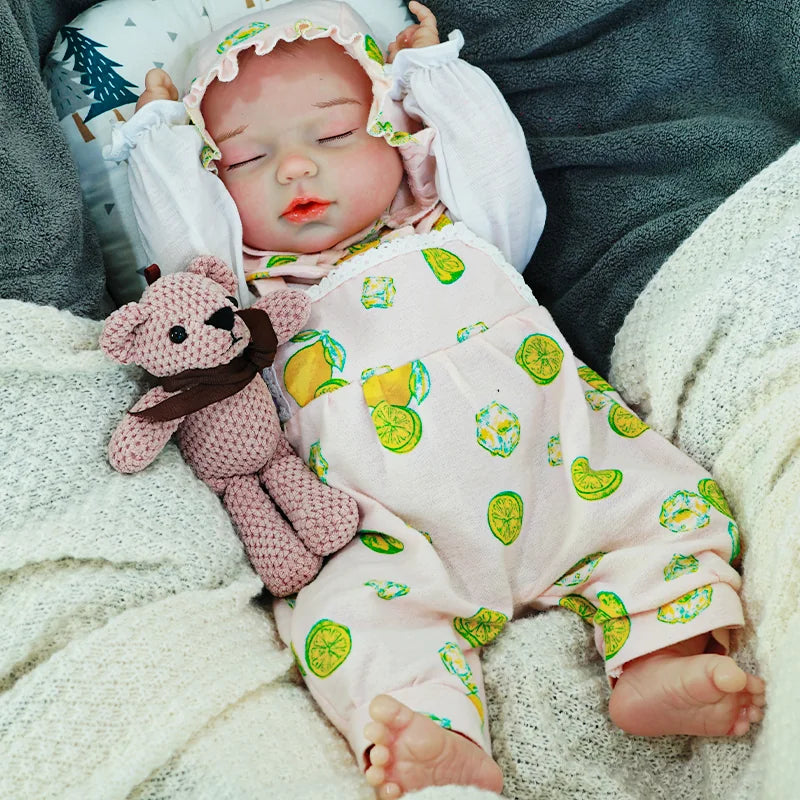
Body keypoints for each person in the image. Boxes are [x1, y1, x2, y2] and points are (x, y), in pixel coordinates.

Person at [109, 2, 765, 797]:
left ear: (393, 129)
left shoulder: (464, 226)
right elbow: (185, 245)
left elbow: (492, 158)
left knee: (668, 514)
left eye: (334, 134)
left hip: (568, 480)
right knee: (345, 623)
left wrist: (434, 76)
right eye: (246, 159)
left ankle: (662, 664)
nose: (293, 169)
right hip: (395, 541)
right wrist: (160, 140)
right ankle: (439, 741)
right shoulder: (248, 300)